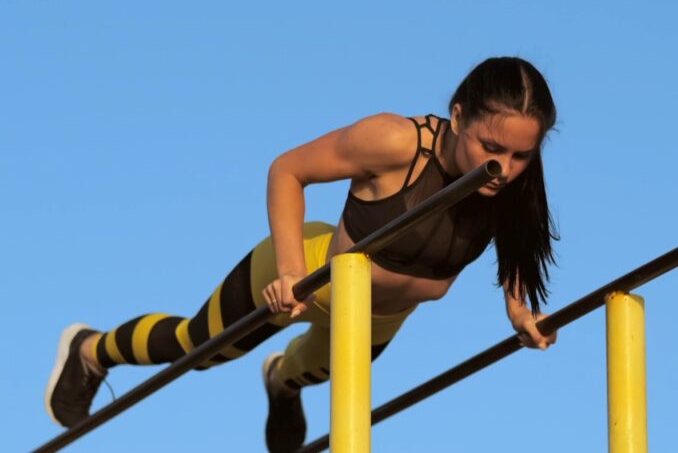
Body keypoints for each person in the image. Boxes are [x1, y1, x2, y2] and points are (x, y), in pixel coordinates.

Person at [45, 56, 560, 453]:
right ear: (457, 115)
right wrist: (291, 269)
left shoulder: (512, 183)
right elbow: (287, 169)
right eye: (492, 147)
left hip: (376, 319)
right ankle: (93, 349)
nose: (505, 167)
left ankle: (280, 383)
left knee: (307, 374)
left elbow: (515, 246)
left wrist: (518, 309)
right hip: (306, 272)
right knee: (198, 348)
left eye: (521, 155)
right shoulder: (395, 142)